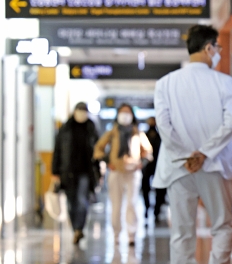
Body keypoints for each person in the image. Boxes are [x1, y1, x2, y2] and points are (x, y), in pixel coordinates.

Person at [153, 24, 232, 264]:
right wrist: (204, 153)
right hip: (215, 165)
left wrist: (186, 155)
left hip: (179, 169)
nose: (218, 54)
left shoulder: (165, 83)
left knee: (182, 233)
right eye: (218, 48)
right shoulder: (224, 82)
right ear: (208, 48)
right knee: (223, 225)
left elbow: (164, 125)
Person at [94, 104, 152, 246]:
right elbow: (98, 148)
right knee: (116, 205)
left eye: (127, 112)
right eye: (122, 112)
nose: (125, 115)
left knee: (131, 203)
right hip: (116, 171)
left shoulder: (137, 133)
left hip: (132, 172)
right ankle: (116, 234)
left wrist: (141, 163)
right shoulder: (112, 132)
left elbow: (148, 151)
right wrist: (108, 161)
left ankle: (131, 234)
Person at [52, 102, 99, 245]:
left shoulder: (91, 128)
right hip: (68, 171)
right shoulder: (65, 128)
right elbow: (58, 150)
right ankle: (75, 228)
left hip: (86, 171)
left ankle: (79, 227)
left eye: (84, 110)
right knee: (71, 202)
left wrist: (98, 172)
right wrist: (55, 171)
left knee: (82, 200)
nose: (81, 113)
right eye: (79, 110)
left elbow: (97, 151)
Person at [141, 117, 167, 224]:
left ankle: (157, 211)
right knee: (145, 189)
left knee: (160, 190)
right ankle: (147, 208)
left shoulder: (161, 135)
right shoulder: (144, 135)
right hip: (147, 166)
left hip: (159, 166)